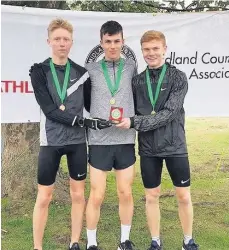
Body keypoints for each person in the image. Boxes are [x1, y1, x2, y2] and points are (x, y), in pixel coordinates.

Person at [29, 18, 111, 250]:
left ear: (72, 42)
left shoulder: (81, 73)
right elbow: (50, 110)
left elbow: (90, 105)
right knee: (44, 197)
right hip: (51, 141)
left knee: (78, 195)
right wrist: (80, 121)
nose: (62, 43)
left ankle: (75, 242)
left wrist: (110, 115)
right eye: (57, 39)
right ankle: (37, 246)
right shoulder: (39, 71)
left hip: (77, 142)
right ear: (49, 41)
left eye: (66, 39)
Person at [117, 30, 199, 250]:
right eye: (147, 49)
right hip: (148, 148)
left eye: (155, 48)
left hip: (175, 146)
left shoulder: (178, 77)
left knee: (183, 195)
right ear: (142, 51)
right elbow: (125, 107)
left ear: (165, 49)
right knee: (151, 196)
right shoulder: (137, 81)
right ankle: (155, 241)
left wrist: (136, 122)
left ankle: (188, 240)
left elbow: (169, 113)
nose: (151, 53)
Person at [84, 21, 137, 250]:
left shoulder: (133, 66)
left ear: (123, 42)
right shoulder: (91, 70)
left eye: (117, 41)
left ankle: (124, 241)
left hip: (125, 138)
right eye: (108, 41)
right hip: (99, 140)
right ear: (101, 43)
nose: (113, 46)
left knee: (125, 192)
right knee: (97, 194)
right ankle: (92, 244)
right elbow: (86, 101)